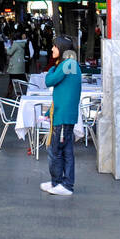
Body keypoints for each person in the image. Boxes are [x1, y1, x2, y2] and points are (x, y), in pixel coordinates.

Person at [40, 36, 82, 197]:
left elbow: (49, 80)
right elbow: (64, 90)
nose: (52, 49)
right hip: (63, 114)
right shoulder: (69, 64)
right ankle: (57, 182)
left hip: (64, 116)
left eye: (55, 47)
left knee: (57, 151)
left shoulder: (68, 64)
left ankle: (65, 184)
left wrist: (51, 69)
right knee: (64, 150)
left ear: (62, 48)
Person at [4, 30, 28, 96]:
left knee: (11, 80)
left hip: (15, 66)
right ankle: (21, 93)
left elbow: (10, 52)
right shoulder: (22, 43)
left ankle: (9, 94)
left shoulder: (16, 44)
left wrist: (7, 48)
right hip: (21, 66)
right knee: (21, 80)